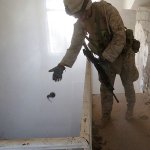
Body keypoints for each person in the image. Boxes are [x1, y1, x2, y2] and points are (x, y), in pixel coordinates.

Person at [49, 0, 139, 128]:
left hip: (124, 55)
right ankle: (106, 116)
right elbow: (75, 46)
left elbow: (120, 37)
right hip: (105, 58)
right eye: (76, 15)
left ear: (88, 5)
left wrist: (105, 58)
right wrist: (62, 65)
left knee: (128, 84)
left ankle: (130, 110)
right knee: (106, 88)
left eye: (81, 13)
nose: (81, 18)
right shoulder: (80, 23)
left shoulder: (106, 10)